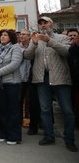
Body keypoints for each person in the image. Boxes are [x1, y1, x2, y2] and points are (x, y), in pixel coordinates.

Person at [23, 16, 78, 152]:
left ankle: (69, 139)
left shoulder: (61, 38)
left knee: (68, 111)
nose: (43, 25)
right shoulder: (35, 39)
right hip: (42, 79)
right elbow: (27, 56)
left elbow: (67, 52)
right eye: (40, 23)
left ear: (51, 24)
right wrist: (34, 43)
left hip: (60, 78)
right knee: (45, 109)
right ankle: (49, 136)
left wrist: (49, 41)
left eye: (45, 22)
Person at [0, 29, 23, 145]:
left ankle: (14, 135)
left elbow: (14, 65)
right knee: (3, 110)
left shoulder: (16, 48)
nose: (3, 37)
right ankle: (4, 132)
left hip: (12, 83)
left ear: (11, 37)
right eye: (1, 35)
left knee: (13, 110)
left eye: (6, 35)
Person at [18, 29, 40, 135]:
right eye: (20, 34)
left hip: (32, 78)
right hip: (20, 78)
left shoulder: (36, 45)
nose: (21, 36)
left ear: (29, 36)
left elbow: (29, 54)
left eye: (24, 34)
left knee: (33, 104)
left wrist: (33, 43)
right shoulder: (17, 47)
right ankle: (18, 123)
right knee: (18, 102)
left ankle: (33, 126)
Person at [68, 31, 79, 129]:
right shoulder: (69, 49)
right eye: (70, 36)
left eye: (75, 35)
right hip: (69, 80)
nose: (72, 37)